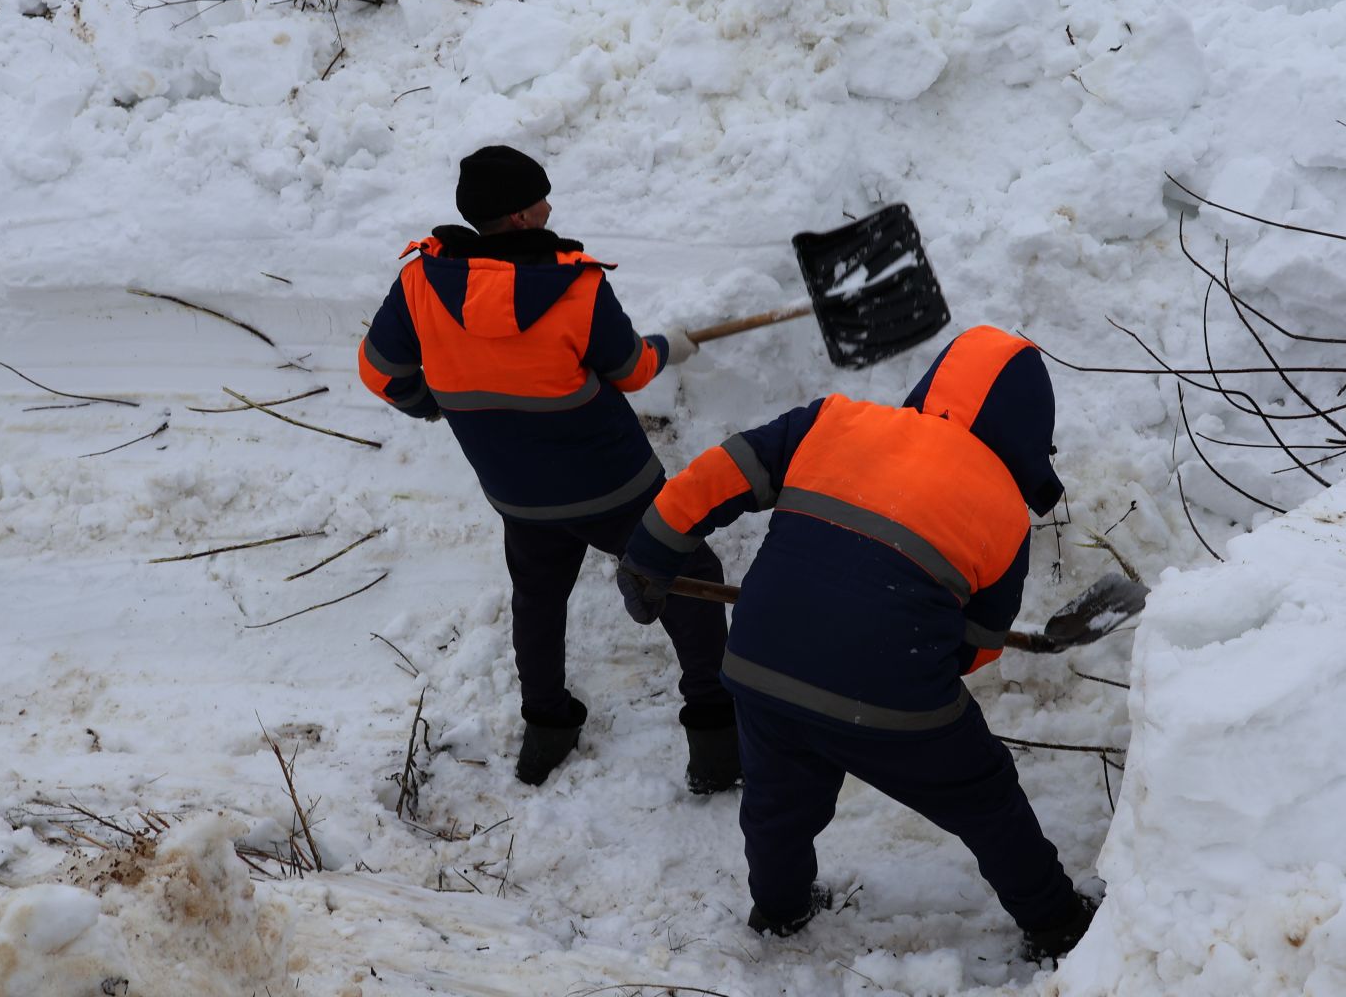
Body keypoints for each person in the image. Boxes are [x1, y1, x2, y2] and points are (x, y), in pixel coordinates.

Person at [615, 324, 1101, 962]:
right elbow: (977, 647)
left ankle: (781, 910)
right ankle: (1055, 919)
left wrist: (650, 556)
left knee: (777, 805)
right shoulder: (1005, 507)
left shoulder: (834, 421)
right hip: (894, 696)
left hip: (762, 666)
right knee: (986, 799)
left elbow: (719, 475)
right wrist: (903, 650)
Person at [358, 145, 738, 792]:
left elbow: (379, 372)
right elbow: (633, 371)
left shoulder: (422, 281)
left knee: (537, 597)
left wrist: (445, 405)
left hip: (517, 492)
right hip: (614, 484)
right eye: (541, 199)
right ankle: (716, 737)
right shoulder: (574, 286)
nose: (551, 206)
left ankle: (547, 726)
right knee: (688, 579)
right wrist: (669, 346)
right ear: (522, 218)